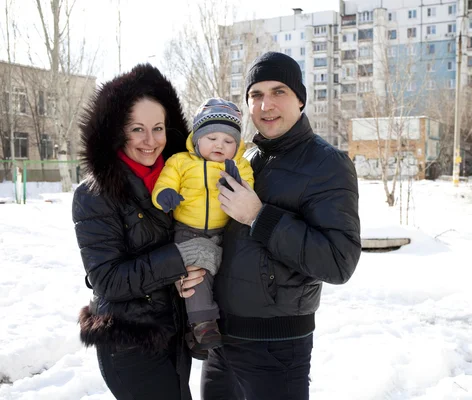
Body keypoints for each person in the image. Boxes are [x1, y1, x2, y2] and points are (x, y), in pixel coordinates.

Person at [201, 51, 362, 399]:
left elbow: (339, 262)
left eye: (278, 92)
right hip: (220, 341)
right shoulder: (243, 161)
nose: (265, 104)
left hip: (275, 347)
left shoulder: (327, 164)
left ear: (300, 100)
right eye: (255, 94)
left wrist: (259, 217)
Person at [73, 64, 209, 400]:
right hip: (130, 342)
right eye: (137, 129)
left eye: (158, 128)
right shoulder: (94, 195)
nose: (150, 141)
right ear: (117, 132)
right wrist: (180, 260)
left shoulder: (181, 182)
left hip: (175, 335)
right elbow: (109, 279)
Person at [151, 98, 254, 353]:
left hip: (224, 231)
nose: (220, 145)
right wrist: (165, 196)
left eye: (228, 141)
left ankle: (196, 335)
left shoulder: (240, 165)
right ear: (197, 139)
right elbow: (165, 182)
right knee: (196, 273)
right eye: (212, 138)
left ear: (237, 145)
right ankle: (202, 325)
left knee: (220, 279)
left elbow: (249, 190)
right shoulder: (181, 162)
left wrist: (236, 182)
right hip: (188, 231)